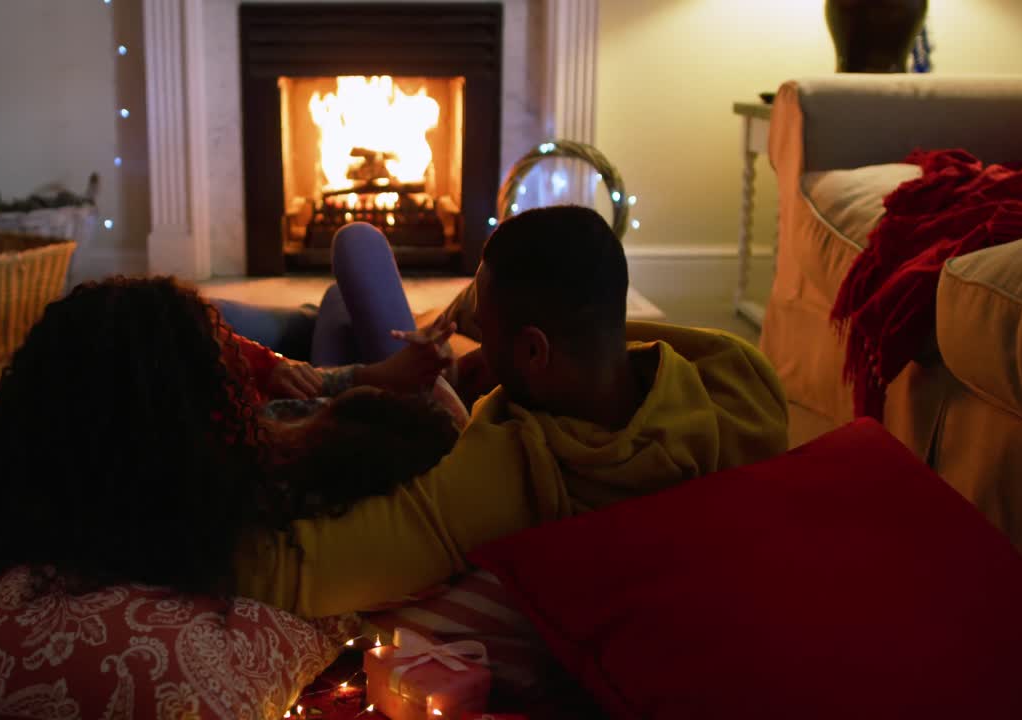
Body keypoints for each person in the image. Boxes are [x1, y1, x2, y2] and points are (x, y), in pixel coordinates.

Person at [233, 205, 789, 617]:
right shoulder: (739, 380)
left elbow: (298, 572)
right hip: (496, 373)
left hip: (394, 421)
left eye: (484, 328)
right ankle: (292, 337)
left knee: (352, 258)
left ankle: (278, 341)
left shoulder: (506, 473)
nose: (476, 340)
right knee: (338, 312)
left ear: (531, 351)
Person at [0, 267, 462, 597]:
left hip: (312, 376)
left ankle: (295, 331)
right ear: (204, 398)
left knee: (324, 307)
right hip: (339, 384)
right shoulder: (242, 468)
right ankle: (304, 329)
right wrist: (386, 380)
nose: (230, 369)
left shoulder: (57, 486)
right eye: (222, 365)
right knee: (345, 282)